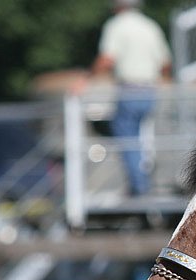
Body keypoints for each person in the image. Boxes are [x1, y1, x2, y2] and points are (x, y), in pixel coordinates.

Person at [81, 0, 172, 196]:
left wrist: (85, 80)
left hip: (129, 90)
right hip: (150, 91)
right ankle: (143, 181)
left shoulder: (116, 25)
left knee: (126, 139)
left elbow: (107, 59)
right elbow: (165, 63)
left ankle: (139, 188)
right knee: (141, 139)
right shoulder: (150, 26)